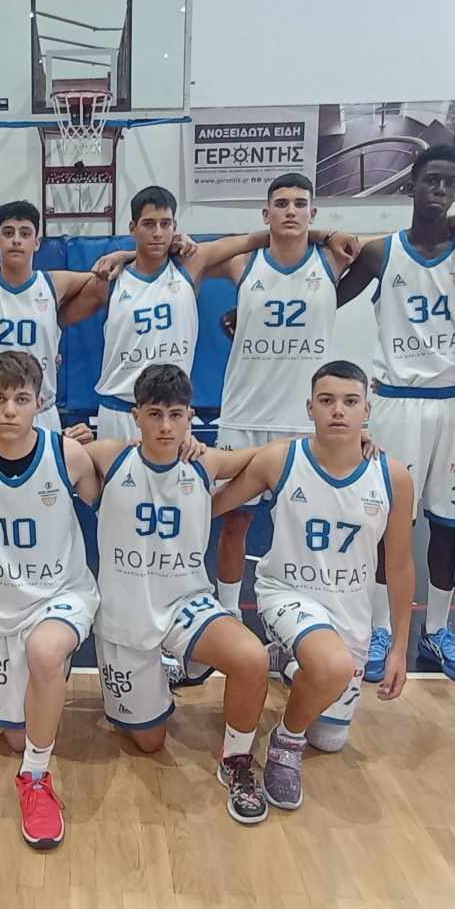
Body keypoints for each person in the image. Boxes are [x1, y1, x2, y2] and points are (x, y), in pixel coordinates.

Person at [73, 363, 275, 824]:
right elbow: (38, 448)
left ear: (190, 418)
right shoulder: (110, 456)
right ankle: (168, 669)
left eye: (176, 415)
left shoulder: (204, 462)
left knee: (251, 658)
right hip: (125, 616)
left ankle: (236, 760)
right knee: (150, 742)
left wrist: (352, 440)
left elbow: (273, 454)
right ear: (136, 416)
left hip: (187, 603)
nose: (165, 426)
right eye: (155, 414)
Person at [150, 173, 359, 617]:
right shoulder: (244, 264)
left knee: (299, 528)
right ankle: (228, 612)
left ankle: (296, 614)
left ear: (313, 212)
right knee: (234, 521)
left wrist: (326, 235)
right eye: (281, 204)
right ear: (266, 214)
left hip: (301, 421)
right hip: (244, 415)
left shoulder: (333, 260)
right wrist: (121, 254)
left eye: (299, 204)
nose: (290, 211)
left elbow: (395, 241)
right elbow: (187, 256)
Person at [210, 361, 415, 809]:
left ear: (367, 411)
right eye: (326, 401)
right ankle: (285, 743)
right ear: (309, 408)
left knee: (331, 739)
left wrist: (399, 647)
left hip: (350, 610)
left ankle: (288, 660)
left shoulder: (393, 477)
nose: (338, 410)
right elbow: (214, 506)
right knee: (330, 666)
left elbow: (399, 566)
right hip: (286, 593)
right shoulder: (282, 459)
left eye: (350, 401)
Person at [334, 144, 455, 687]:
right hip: (397, 403)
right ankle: (382, 629)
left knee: (448, 527)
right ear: (412, 185)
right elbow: (322, 299)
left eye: (450, 183)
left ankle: (439, 628)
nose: (439, 189)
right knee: (390, 525)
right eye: (431, 180)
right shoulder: (380, 254)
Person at [0, 351, 102, 848]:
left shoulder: (67, 455)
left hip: (63, 594)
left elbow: (100, 491)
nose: (10, 410)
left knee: (45, 652)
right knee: (13, 737)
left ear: (41, 402)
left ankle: (35, 778)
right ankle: (36, 726)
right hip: (3, 612)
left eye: (21, 399)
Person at [68, 184, 353, 442]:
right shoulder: (109, 280)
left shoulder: (191, 264)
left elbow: (254, 239)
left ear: (175, 228)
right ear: (133, 228)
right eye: (149, 224)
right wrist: (124, 255)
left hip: (173, 410)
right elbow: (61, 317)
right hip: (119, 408)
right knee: (118, 482)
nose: (157, 233)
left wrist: (324, 234)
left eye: (165, 224)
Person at [0, 200, 112, 431]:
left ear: (36, 242)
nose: (16, 240)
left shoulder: (53, 283)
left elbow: (101, 284)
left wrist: (122, 255)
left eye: (25, 233)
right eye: (8, 233)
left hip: (39, 411)